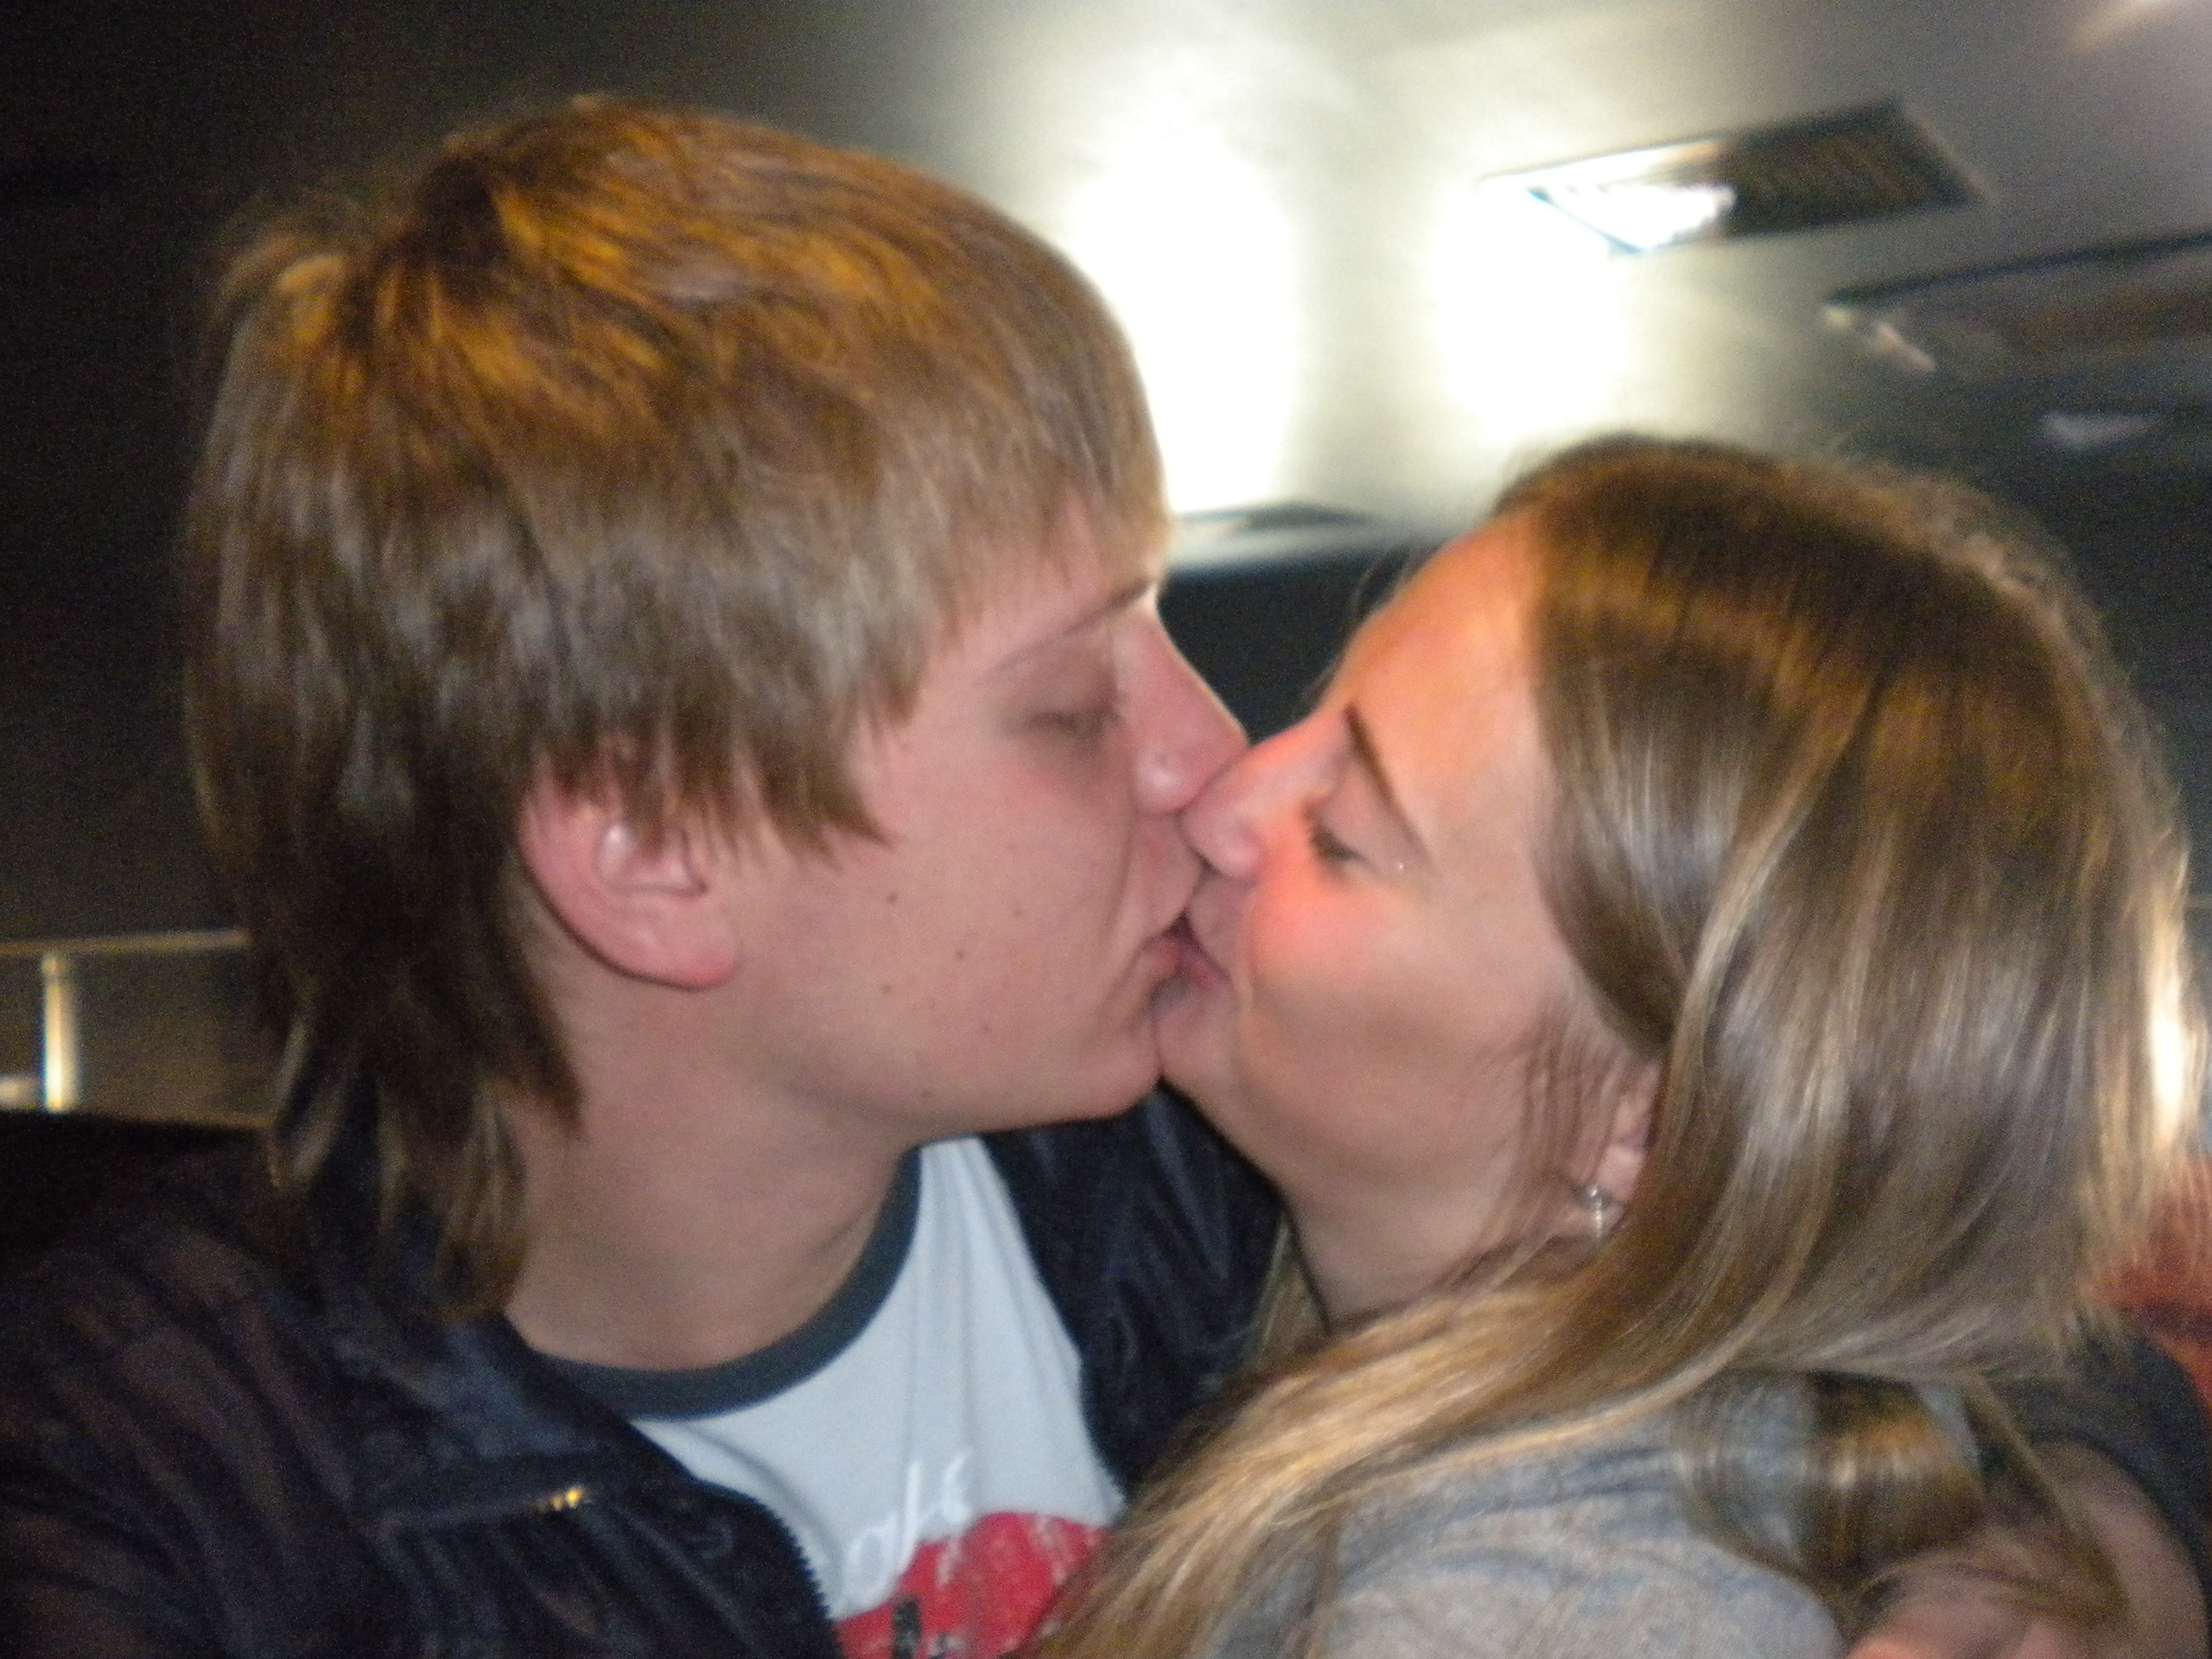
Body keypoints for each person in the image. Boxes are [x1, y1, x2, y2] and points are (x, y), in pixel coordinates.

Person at [0, 99, 2197, 1659]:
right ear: (654, 852)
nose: (1207, 762)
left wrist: (2082, 1525)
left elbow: (1838, 1213)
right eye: (1067, 704)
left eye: (1164, 621)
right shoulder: (155, 1491)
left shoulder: (1210, 1144)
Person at [1039, 437, 2212, 1658]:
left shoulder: (1553, 1613)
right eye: (1314, 717)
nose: (1225, 800)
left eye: (1339, 835)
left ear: (1652, 1129)